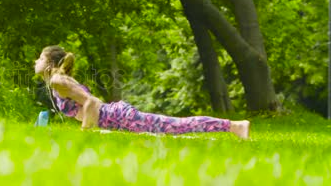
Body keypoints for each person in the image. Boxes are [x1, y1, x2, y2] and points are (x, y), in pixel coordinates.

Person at [34, 45, 250, 139]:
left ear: (51, 62)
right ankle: (232, 126)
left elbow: (90, 102)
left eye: (40, 58)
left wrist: (85, 131)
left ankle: (234, 126)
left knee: (177, 126)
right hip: (114, 116)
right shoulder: (58, 80)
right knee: (174, 127)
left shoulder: (57, 80)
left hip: (116, 117)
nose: (36, 61)